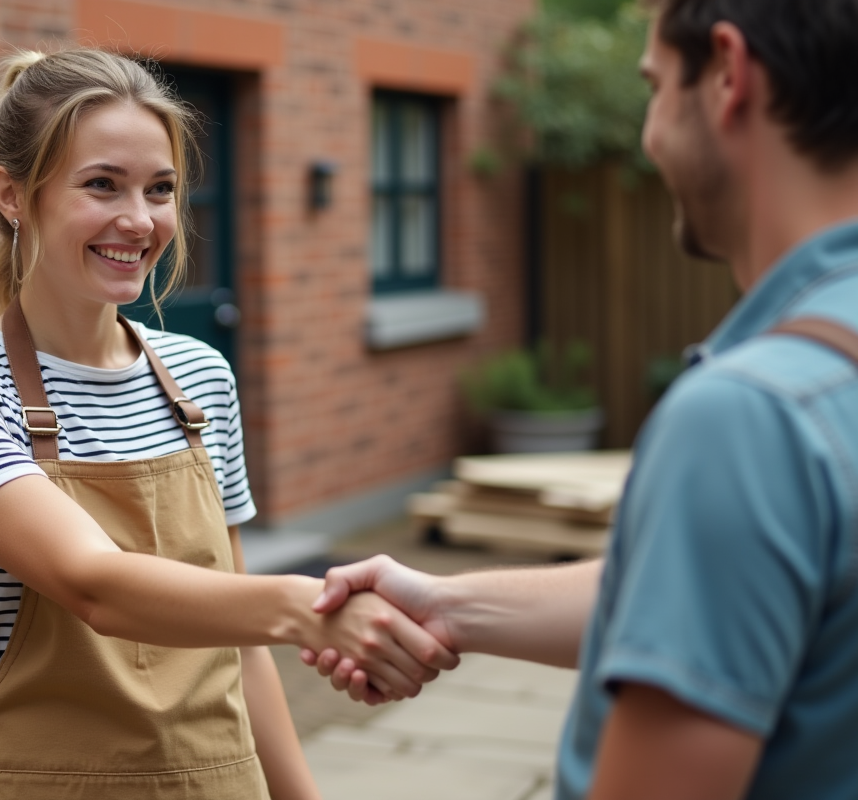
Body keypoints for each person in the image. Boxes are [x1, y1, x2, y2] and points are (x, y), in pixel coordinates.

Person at [303, 1, 858, 798]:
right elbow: (742, 585)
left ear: (729, 75)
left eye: (657, 87)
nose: (649, 136)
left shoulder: (747, 418)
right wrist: (450, 604)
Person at [0, 48, 455, 800]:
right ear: (12, 195)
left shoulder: (199, 378)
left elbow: (243, 648)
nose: (139, 220)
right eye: (101, 185)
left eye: (160, 190)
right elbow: (94, 585)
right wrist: (308, 611)